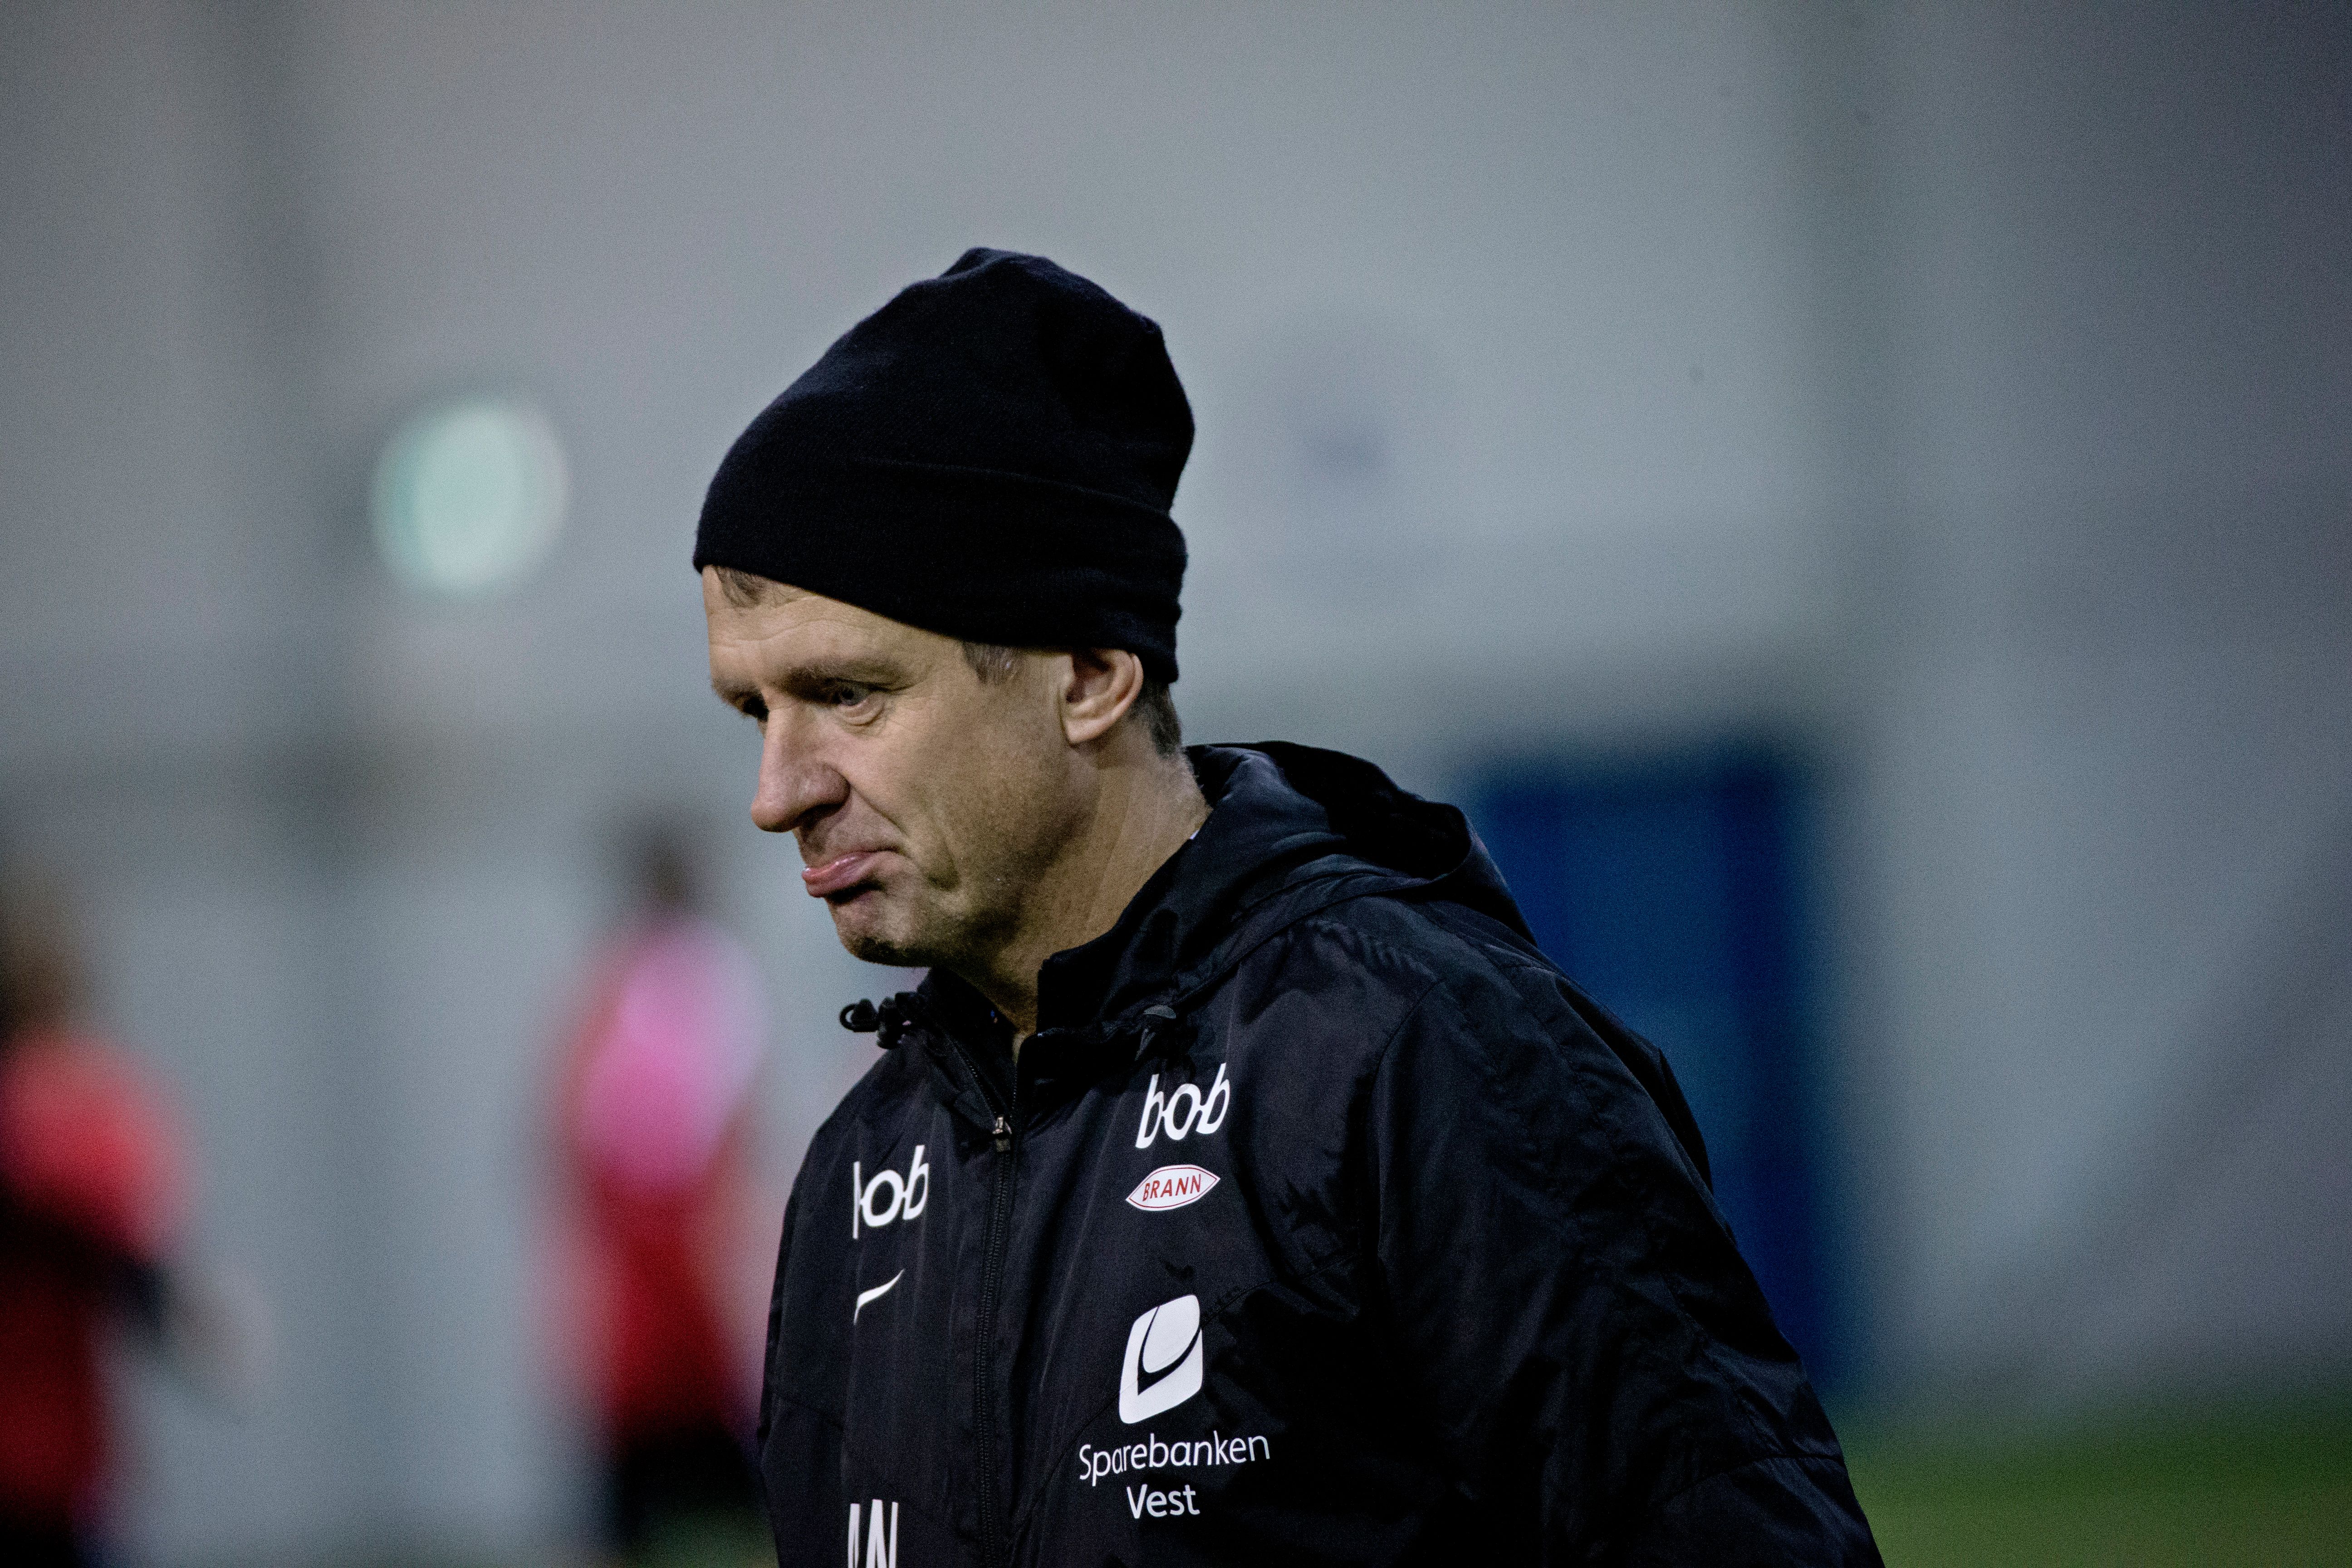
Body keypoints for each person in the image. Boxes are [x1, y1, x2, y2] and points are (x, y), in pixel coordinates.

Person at [696, 249, 1881, 1564]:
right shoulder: (863, 1172)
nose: (778, 793)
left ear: (1087, 675)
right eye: (756, 712)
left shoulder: (1419, 1056)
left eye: (850, 696)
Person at [553, 826, 771, 1561]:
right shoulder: (706, 976)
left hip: (657, 1249)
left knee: (658, 1443)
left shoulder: (621, 983)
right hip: (674, 1246)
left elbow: (570, 1127)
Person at [0, 881, 188, 1568]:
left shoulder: (71, 1109)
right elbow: (133, 1261)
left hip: (56, 1458)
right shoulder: (83, 1110)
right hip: (51, 1465)